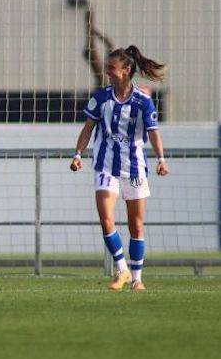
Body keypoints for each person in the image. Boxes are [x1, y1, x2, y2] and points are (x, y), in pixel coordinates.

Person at [70, 45, 168, 291]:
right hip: (105, 167)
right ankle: (122, 269)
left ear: (126, 70)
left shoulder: (143, 101)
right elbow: (87, 128)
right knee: (106, 218)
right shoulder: (101, 98)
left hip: (134, 170)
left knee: (136, 225)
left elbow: (153, 133)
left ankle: (137, 278)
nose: (107, 72)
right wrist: (78, 154)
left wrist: (161, 159)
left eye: (111, 68)